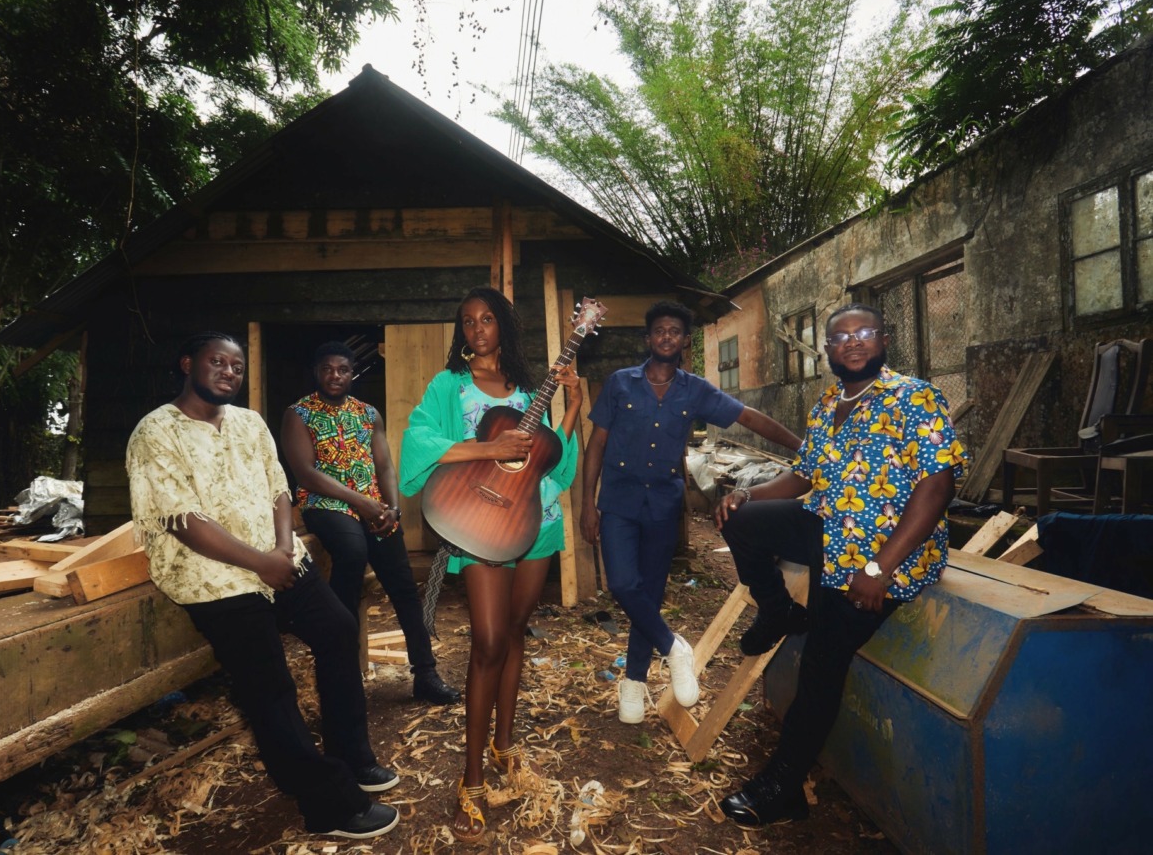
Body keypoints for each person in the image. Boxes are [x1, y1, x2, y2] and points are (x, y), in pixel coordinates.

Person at [125, 331, 400, 840]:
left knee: (339, 630)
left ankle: (352, 756)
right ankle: (327, 804)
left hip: (278, 559)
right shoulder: (155, 432)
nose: (229, 372)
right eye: (217, 361)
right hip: (213, 577)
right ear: (187, 364)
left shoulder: (249, 423)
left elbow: (278, 489)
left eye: (236, 366)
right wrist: (259, 564)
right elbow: (182, 519)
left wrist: (281, 550)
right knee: (269, 684)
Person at [714, 303, 966, 826]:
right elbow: (804, 476)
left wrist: (878, 569)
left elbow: (937, 486)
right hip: (831, 529)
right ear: (826, 350)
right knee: (742, 522)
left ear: (884, 340)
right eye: (840, 336)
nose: (853, 342)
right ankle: (778, 611)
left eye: (864, 332)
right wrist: (747, 494)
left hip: (884, 554)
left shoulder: (915, 397)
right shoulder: (830, 401)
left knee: (822, 662)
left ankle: (784, 785)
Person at [398, 287, 582, 843]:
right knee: (487, 642)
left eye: (487, 319)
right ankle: (471, 780)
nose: (477, 329)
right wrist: (489, 450)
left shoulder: (528, 387)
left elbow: (553, 463)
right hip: (479, 524)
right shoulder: (448, 385)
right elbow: (419, 442)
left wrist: (574, 405)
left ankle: (504, 745)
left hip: (536, 522)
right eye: (468, 321)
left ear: (504, 325)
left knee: (516, 632)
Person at [580, 300, 802, 726]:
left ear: (685, 341)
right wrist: (587, 503)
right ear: (648, 338)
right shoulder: (620, 383)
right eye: (659, 330)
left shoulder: (695, 390)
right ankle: (673, 646)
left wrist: (803, 448)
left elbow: (748, 417)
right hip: (619, 502)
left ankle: (633, 682)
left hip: (663, 505)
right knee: (623, 584)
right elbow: (596, 445)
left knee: (649, 592)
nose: (666, 336)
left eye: (675, 331)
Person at [281, 341, 461, 706]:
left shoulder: (367, 413)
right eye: (327, 369)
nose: (335, 375)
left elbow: (384, 466)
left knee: (403, 587)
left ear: (352, 374)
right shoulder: (298, 413)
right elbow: (305, 473)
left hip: (374, 506)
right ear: (316, 372)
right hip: (326, 503)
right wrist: (361, 502)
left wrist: (392, 508)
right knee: (352, 552)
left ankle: (426, 674)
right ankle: (343, 671)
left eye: (342, 370)